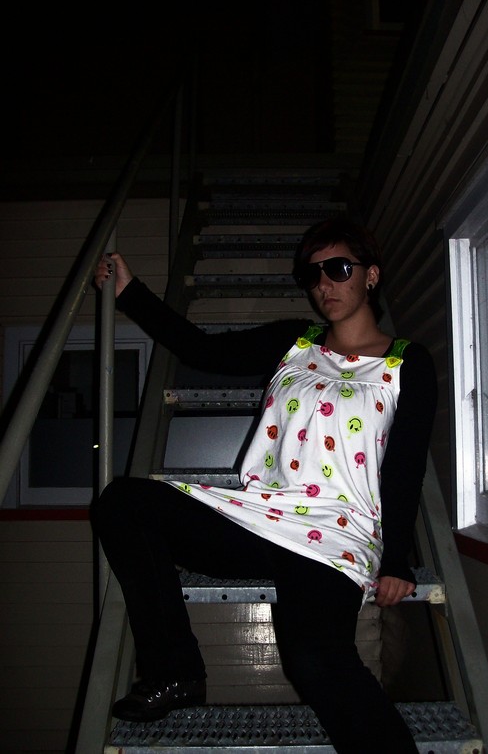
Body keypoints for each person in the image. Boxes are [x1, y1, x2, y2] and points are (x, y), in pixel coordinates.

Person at [91, 216, 437, 754]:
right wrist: (128, 291)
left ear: (371, 275)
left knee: (314, 658)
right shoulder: (294, 342)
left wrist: (395, 558)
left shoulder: (407, 362)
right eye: (312, 274)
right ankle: (175, 670)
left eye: (339, 269)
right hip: (260, 517)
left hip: (336, 533)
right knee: (124, 502)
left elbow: (406, 464)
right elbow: (202, 351)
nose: (324, 284)